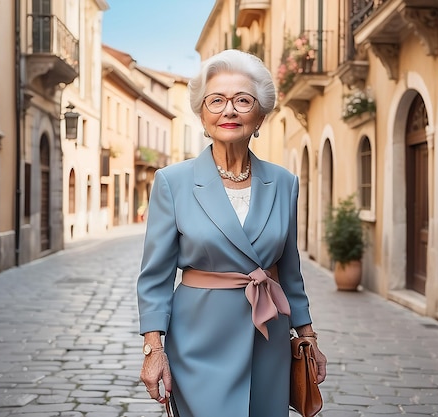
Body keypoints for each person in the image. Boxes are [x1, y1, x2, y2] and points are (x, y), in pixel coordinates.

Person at [137, 49, 327, 417]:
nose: (229, 110)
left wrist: (307, 337)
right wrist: (153, 349)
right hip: (197, 341)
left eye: (243, 100)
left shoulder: (284, 183)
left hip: (268, 338)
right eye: (217, 100)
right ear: (203, 114)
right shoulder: (172, 183)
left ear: (259, 116)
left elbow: (289, 272)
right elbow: (155, 278)